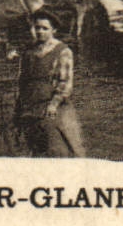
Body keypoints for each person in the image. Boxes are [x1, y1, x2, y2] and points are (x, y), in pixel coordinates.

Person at [13, 10, 86, 157]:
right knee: (34, 150)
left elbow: (65, 82)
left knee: (58, 149)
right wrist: (18, 106)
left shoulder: (62, 51)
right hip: (30, 106)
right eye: (37, 27)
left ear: (54, 30)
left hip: (52, 107)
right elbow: (22, 80)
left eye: (45, 28)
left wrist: (54, 104)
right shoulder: (28, 52)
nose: (40, 31)